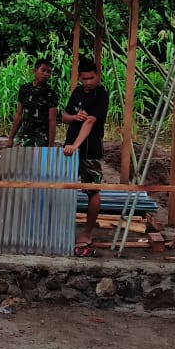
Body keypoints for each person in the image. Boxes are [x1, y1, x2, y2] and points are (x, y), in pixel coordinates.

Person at [62, 58, 109, 254]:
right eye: (84, 79)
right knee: (62, 187)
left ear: (97, 75)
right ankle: (61, 228)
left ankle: (87, 233)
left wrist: (76, 145)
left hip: (89, 150)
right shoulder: (77, 92)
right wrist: (74, 117)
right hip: (69, 148)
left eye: (91, 78)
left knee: (93, 190)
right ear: (79, 78)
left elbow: (90, 122)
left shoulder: (101, 95)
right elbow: (64, 116)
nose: (88, 82)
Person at [6, 58, 58, 149]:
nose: (45, 74)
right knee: (21, 160)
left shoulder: (50, 93)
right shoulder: (25, 89)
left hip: (41, 137)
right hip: (25, 134)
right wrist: (11, 138)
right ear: (35, 71)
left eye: (49, 72)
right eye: (43, 70)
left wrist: (51, 144)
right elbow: (19, 115)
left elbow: (52, 120)